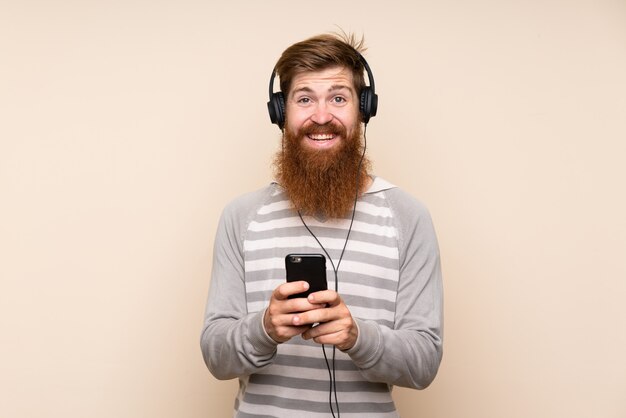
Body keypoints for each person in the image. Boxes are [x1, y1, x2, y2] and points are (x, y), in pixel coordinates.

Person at [201, 32, 443, 417]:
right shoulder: (242, 217)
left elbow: (424, 363)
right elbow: (216, 356)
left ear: (364, 108)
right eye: (304, 99)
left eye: (338, 97)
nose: (321, 116)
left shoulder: (408, 217)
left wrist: (357, 337)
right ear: (280, 113)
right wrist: (264, 328)